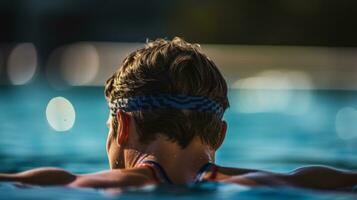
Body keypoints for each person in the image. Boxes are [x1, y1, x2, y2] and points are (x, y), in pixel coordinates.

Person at [0, 37, 356, 191]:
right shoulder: (272, 183)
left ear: (122, 126)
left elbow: (55, 181)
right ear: (219, 135)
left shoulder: (100, 185)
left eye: (109, 126)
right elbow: (314, 179)